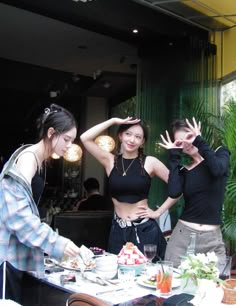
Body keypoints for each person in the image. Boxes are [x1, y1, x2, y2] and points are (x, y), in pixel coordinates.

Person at [0, 103, 80, 304]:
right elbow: (17, 216)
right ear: (51, 132)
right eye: (67, 139)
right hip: (7, 256)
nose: (69, 145)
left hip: (18, 255)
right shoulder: (28, 159)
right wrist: (57, 243)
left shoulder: (38, 158)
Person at [80, 117, 178, 257]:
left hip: (144, 230)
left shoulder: (150, 162)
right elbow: (85, 138)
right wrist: (113, 121)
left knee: (147, 276)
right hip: (118, 231)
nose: (132, 140)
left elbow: (178, 187)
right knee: (118, 274)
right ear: (120, 135)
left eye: (138, 137)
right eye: (128, 134)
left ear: (142, 141)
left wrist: (159, 212)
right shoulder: (110, 161)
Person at [158, 117, 230, 269]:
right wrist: (174, 155)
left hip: (212, 240)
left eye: (189, 136)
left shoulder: (220, 153)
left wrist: (199, 141)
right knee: (174, 285)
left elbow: (217, 170)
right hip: (183, 237)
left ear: (197, 133)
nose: (187, 143)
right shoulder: (184, 170)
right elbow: (174, 191)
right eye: (180, 142)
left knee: (215, 285)